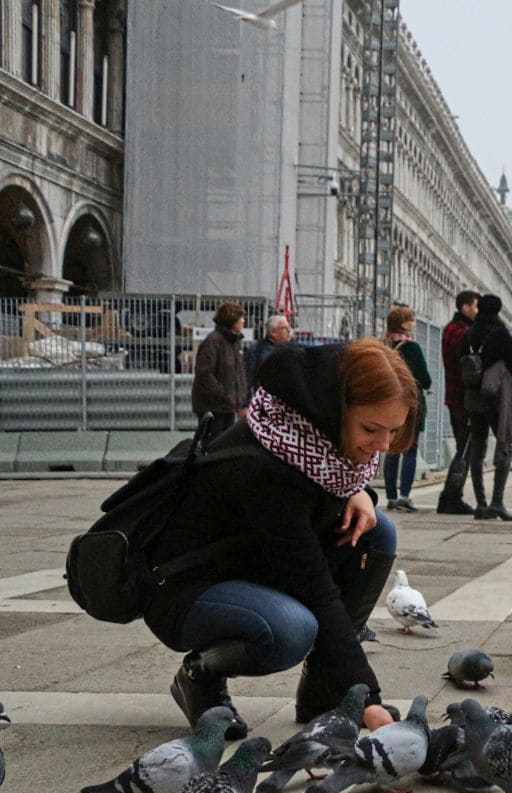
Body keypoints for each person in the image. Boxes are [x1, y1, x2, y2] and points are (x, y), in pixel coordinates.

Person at [143, 338, 418, 737]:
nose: (384, 445)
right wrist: (368, 699)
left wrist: (360, 492)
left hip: (250, 568)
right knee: (292, 628)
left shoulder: (311, 442)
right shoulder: (267, 465)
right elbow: (314, 587)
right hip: (186, 590)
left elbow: (324, 492)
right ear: (333, 409)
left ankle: (324, 691)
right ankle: (199, 675)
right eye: (371, 429)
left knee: (376, 531)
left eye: (394, 430)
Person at [463, 294, 512, 521]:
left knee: (477, 449)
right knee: (505, 443)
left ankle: (481, 504)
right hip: (496, 397)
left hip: (473, 397)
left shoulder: (469, 332)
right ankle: (497, 502)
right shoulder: (500, 333)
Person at [381, 305, 432, 511]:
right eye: (411, 319)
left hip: (387, 403)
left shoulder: (383, 345)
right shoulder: (412, 348)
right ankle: (404, 495)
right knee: (409, 450)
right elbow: (425, 380)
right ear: (403, 324)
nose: (414, 323)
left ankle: (391, 497)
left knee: (391, 449)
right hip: (410, 406)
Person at [436, 290, 481, 515]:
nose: (478, 311)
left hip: (455, 397)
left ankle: (452, 495)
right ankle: (450, 496)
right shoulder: (463, 332)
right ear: (465, 307)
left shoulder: (452, 329)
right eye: (475, 307)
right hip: (463, 399)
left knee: (465, 446)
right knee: (465, 448)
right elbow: (469, 367)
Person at [192, 302, 248, 446]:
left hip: (227, 405)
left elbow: (237, 374)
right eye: (240, 318)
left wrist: (239, 400)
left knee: (225, 444)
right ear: (232, 320)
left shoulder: (233, 342)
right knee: (213, 444)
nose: (243, 321)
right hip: (214, 405)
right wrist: (223, 394)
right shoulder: (213, 341)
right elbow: (204, 373)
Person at [246, 314, 293, 395]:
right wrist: (245, 404)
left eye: (289, 327)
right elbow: (247, 378)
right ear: (273, 332)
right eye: (285, 328)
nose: (289, 331)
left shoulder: (292, 349)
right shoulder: (257, 349)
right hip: (266, 400)